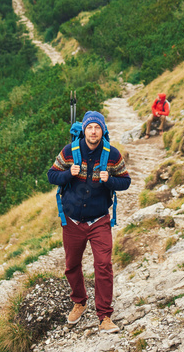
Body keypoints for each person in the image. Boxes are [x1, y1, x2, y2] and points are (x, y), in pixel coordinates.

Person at [47, 110, 131, 332]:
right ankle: (80, 301)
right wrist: (68, 174)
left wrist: (110, 180)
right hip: (72, 221)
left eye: (97, 128)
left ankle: (104, 316)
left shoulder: (112, 154)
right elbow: (51, 174)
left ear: (102, 130)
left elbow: (126, 181)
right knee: (71, 265)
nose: (93, 132)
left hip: (99, 220)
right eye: (89, 127)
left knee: (103, 266)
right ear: (84, 130)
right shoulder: (70, 152)